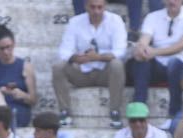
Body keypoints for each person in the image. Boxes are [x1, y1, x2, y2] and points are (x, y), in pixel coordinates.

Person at [52, 0, 128, 129]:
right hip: (81, 72)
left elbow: (120, 51)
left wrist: (97, 57)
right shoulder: (75, 22)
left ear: (105, 6)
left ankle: (115, 111)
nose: (96, 11)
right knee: (58, 67)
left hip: (106, 73)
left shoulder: (115, 21)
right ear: (86, 6)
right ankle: (65, 112)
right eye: (93, 7)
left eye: (100, 7)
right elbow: (64, 51)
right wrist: (75, 57)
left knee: (117, 64)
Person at [129, 0, 183, 130]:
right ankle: (139, 109)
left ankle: (173, 115)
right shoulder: (152, 17)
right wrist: (141, 49)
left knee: (174, 63)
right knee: (141, 62)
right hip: (159, 64)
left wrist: (154, 52)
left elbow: (181, 45)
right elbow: (144, 39)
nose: (171, 1)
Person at [0, 24, 37, 128]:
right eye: (1, 49)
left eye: (8, 47)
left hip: (18, 112)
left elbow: (33, 99)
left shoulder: (26, 67)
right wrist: (1, 92)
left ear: (14, 44)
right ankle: (3, 125)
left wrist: (22, 95)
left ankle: (4, 126)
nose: (6, 52)